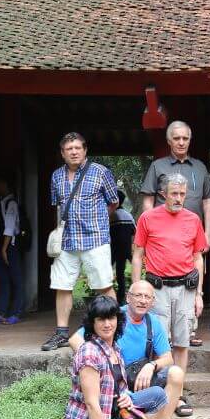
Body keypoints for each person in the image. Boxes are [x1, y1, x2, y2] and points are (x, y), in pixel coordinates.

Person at [69, 280, 194, 419]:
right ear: (128, 297)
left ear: (153, 302)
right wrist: (99, 362)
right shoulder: (112, 316)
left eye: (147, 297)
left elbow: (168, 358)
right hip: (112, 386)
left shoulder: (153, 322)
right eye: (138, 295)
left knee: (175, 374)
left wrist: (151, 365)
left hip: (137, 380)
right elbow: (75, 339)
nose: (142, 300)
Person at [65, 295, 172, 419]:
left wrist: (126, 397)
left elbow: (118, 387)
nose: (107, 324)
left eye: (111, 318)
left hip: (112, 409)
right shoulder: (90, 353)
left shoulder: (113, 347)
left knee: (158, 395)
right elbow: (92, 404)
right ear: (92, 323)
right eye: (101, 319)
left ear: (118, 319)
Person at [133, 173, 206, 418]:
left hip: (185, 287)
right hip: (158, 288)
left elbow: (198, 258)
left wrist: (199, 294)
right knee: (159, 342)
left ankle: (179, 393)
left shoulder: (193, 219)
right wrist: (136, 290)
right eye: (174, 193)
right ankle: (161, 392)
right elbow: (137, 254)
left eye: (182, 194)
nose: (178, 198)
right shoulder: (148, 217)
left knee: (182, 342)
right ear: (163, 193)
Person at [139, 120, 210, 347]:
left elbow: (208, 202)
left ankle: (189, 331)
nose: (181, 142)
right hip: (163, 235)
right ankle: (164, 335)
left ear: (190, 141)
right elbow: (148, 199)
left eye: (185, 138)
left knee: (192, 280)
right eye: (177, 138)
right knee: (164, 284)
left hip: (192, 233)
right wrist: (150, 227)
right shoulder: (158, 166)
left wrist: (208, 233)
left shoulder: (200, 167)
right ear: (169, 141)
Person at [43, 133, 119, 351]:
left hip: (95, 238)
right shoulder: (56, 176)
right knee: (62, 285)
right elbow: (57, 206)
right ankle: (61, 333)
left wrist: (97, 219)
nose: (74, 152)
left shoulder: (100, 172)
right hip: (67, 240)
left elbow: (113, 202)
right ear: (62, 153)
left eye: (77, 148)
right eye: (69, 149)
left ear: (85, 150)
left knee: (103, 285)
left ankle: (114, 330)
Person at [0, 175, 24, 325]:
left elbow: (9, 227)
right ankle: (2, 312)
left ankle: (16, 312)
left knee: (16, 280)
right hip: (0, 246)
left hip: (10, 247)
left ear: (5, 184)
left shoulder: (12, 203)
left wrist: (4, 248)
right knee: (4, 280)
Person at [110, 190, 136, 306]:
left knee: (108, 274)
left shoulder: (110, 215)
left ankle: (116, 299)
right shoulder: (128, 215)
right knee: (134, 271)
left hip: (113, 250)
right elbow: (134, 232)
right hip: (127, 249)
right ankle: (126, 297)